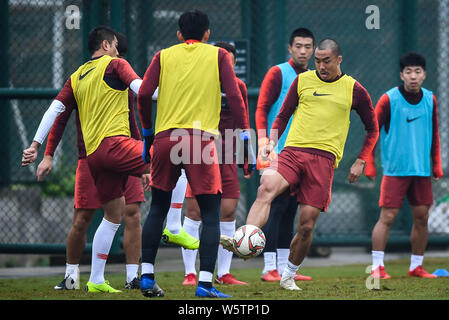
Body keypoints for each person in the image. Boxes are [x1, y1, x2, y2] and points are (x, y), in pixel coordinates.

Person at [221, 38, 379, 291]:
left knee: (306, 224)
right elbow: (283, 114)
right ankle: (246, 238)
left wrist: (361, 160)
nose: (321, 65)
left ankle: (288, 275)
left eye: (326, 61)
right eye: (317, 61)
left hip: (324, 160)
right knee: (266, 187)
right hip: (293, 151)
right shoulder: (302, 80)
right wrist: (271, 142)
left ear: (339, 60)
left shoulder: (354, 89)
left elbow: (372, 128)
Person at [22, 26, 151, 294]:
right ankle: (72, 276)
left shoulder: (93, 77)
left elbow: (132, 119)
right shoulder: (107, 69)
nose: (118, 52)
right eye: (115, 45)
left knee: (126, 215)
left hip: (110, 154)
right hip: (102, 152)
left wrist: (35, 144)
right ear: (106, 46)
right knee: (178, 154)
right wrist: (46, 153)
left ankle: (116, 278)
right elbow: (59, 115)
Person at [137, 10, 253, 298]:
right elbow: (235, 96)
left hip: (165, 138)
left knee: (157, 209)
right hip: (200, 141)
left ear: (178, 34)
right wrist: (245, 135)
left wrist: (148, 134)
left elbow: (143, 94)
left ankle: (147, 277)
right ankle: (204, 284)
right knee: (212, 214)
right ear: (207, 34)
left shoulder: (163, 56)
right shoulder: (218, 57)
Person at [180, 41, 254, 287]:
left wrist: (247, 157)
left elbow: (243, 122)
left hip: (228, 157)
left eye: (231, 63)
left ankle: (223, 273)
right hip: (199, 155)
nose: (227, 67)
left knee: (228, 211)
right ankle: (190, 273)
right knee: (194, 213)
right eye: (224, 62)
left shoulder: (239, 87)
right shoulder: (200, 84)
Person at [366, 52, 442, 279]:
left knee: (422, 217)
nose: (413, 76)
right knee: (387, 217)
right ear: (401, 75)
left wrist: (436, 165)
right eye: (408, 72)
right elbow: (372, 132)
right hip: (395, 171)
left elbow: (435, 134)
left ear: (424, 75)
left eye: (417, 71)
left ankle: (416, 266)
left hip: (421, 171)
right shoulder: (389, 99)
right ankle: (377, 266)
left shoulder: (430, 99)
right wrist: (368, 164)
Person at [255, 27, 314, 282]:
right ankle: (268, 268)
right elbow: (261, 109)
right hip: (276, 151)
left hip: (302, 152)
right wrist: (263, 143)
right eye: (298, 46)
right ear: (290, 48)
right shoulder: (278, 73)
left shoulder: (315, 77)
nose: (303, 50)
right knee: (276, 207)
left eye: (308, 46)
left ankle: (284, 266)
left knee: (291, 208)